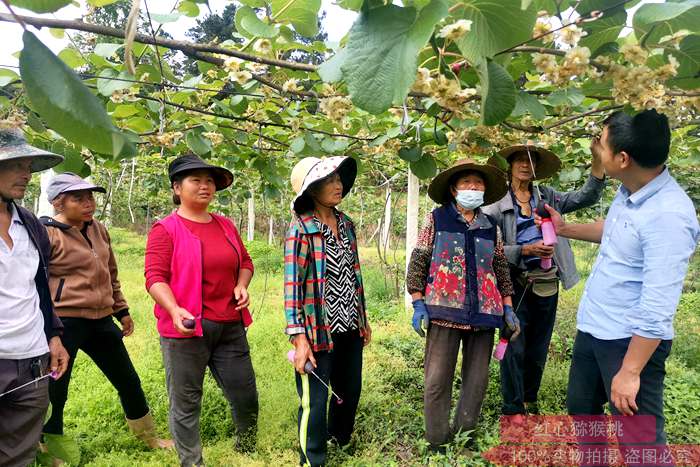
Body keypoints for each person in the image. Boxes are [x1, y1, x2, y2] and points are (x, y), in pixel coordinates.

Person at [539, 110, 699, 458]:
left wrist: (630, 371)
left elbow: (658, 307)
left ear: (623, 159)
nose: (596, 146)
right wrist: (564, 229)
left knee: (640, 444)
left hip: (628, 342)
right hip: (594, 328)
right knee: (583, 414)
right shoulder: (630, 190)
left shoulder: (669, 216)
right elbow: (613, 230)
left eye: (602, 142)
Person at [40, 172, 173, 451]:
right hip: (64, 322)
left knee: (127, 379)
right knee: (56, 390)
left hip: (100, 320)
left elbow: (110, 272)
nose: (89, 203)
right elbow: (37, 282)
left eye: (90, 197)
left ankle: (148, 438)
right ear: (58, 204)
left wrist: (121, 309)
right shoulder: (46, 234)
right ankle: (49, 449)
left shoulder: (97, 228)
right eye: (79, 198)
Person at [145, 154, 258, 466]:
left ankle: (247, 448)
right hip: (186, 328)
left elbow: (245, 263)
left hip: (230, 324)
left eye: (209, 180)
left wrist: (242, 284)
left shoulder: (225, 225)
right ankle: (192, 462)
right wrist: (174, 308)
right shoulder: (165, 229)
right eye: (196, 180)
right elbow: (155, 278)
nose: (205, 186)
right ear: (177, 188)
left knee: (244, 394)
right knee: (186, 402)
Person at [406, 158, 520, 453]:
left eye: (478, 183)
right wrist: (418, 302)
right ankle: (437, 441)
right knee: (436, 380)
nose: (473, 187)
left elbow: (499, 267)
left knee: (477, 380)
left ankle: (465, 435)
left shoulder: (489, 225)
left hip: (485, 312)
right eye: (467, 182)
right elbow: (419, 258)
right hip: (443, 311)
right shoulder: (438, 218)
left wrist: (507, 307)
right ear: (454, 189)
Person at [483, 141, 605, 416]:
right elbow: (488, 249)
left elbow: (587, 196)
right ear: (510, 166)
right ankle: (512, 409)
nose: (526, 165)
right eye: (520, 160)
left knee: (539, 345)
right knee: (513, 344)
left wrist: (597, 162)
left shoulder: (547, 197)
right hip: (513, 284)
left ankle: (529, 399)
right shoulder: (495, 206)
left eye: (532, 161)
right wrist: (524, 250)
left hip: (546, 282)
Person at [284, 156, 371, 467]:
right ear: (311, 190)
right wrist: (298, 337)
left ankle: (340, 438)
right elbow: (293, 285)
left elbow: (354, 274)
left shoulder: (346, 224)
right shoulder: (302, 229)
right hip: (317, 329)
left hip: (349, 323)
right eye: (328, 181)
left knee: (349, 388)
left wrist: (363, 318)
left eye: (338, 179)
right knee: (315, 400)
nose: (337, 185)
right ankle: (312, 459)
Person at [0, 128, 69, 467]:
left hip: (31, 360)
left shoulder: (29, 224)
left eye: (28, 165)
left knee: (19, 454)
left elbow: (39, 286)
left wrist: (53, 336)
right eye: (15, 164)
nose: (26, 174)